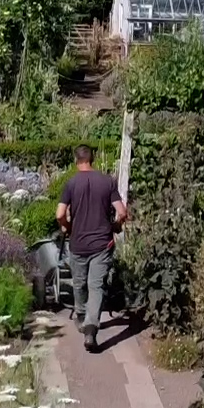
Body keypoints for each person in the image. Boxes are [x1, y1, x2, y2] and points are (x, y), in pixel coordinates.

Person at [56, 144, 127, 352]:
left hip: (78, 243)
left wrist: (68, 227)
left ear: (75, 160)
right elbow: (122, 212)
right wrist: (115, 225)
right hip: (102, 244)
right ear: (92, 158)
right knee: (96, 286)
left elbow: (60, 214)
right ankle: (91, 327)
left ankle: (81, 316)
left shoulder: (70, 184)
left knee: (79, 283)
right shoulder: (107, 181)